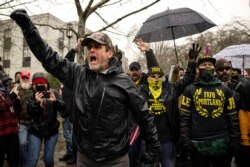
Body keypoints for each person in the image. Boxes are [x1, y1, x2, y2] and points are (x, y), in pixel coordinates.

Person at [10, 9, 160, 167]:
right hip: (84, 159)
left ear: (110, 53)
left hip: (115, 161)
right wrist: (28, 28)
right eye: (89, 47)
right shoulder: (79, 74)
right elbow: (48, 58)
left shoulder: (125, 83)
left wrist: (153, 149)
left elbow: (145, 117)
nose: (91, 50)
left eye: (97, 46)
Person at [138, 43, 199, 167]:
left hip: (167, 140)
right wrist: (148, 52)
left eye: (158, 76)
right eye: (152, 76)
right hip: (148, 140)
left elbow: (188, 79)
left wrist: (192, 61)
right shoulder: (141, 91)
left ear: (163, 78)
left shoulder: (171, 89)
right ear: (148, 78)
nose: (156, 79)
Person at [180, 54, 240, 167]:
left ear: (214, 68)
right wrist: (185, 140)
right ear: (198, 69)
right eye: (204, 64)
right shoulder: (190, 89)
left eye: (210, 64)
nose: (207, 66)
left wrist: (235, 140)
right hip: (198, 143)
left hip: (221, 142)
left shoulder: (225, 89)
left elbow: (232, 117)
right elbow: (185, 118)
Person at [25, 72, 66, 167]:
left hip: (51, 131)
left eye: (41, 82)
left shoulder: (53, 93)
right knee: (32, 160)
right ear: (33, 86)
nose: (39, 85)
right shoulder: (32, 96)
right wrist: (36, 103)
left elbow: (64, 111)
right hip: (36, 131)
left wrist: (56, 102)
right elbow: (30, 113)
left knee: (48, 160)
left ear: (46, 83)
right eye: (37, 83)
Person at [59, 39, 82, 165]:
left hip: (72, 111)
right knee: (66, 134)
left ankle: (74, 155)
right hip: (65, 110)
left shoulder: (76, 79)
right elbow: (66, 62)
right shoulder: (66, 77)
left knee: (70, 135)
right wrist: (74, 49)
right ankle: (69, 153)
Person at [0, 71, 21, 167]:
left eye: (7, 80)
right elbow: (1, 106)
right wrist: (12, 97)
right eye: (3, 81)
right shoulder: (8, 94)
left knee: (14, 159)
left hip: (12, 130)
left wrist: (17, 100)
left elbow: (16, 111)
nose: (6, 83)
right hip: (1, 132)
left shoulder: (9, 92)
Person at [15, 71, 33, 166]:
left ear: (29, 78)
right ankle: (24, 163)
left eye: (27, 78)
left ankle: (29, 163)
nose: (25, 79)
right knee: (22, 143)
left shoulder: (34, 88)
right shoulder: (17, 89)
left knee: (31, 144)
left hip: (33, 122)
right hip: (22, 122)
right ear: (21, 79)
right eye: (23, 78)